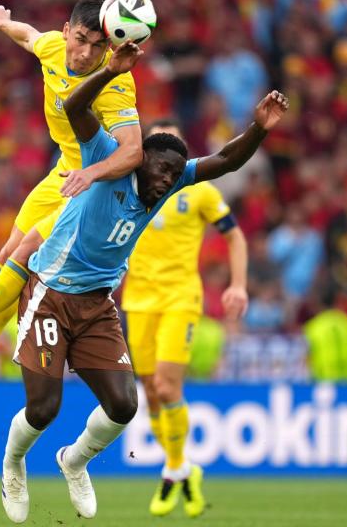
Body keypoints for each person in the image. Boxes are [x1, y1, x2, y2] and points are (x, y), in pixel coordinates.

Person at [0, 41, 289, 523]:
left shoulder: (168, 184)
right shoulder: (109, 155)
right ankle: (13, 462)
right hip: (49, 294)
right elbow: (75, 106)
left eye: (173, 175)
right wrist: (110, 70)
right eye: (160, 169)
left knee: (125, 405)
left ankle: (74, 460)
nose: (164, 181)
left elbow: (227, 161)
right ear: (140, 159)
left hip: (98, 304)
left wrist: (257, 128)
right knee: (43, 409)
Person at [0, 0, 143, 383]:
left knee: (25, 253)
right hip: (64, 172)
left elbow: (133, 151)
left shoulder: (116, 83)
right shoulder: (52, 47)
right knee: (6, 254)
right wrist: (2, 23)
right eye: (80, 40)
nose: (86, 53)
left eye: (98, 46)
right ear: (66, 31)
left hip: (95, 185)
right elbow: (29, 36)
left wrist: (92, 174)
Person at [121, 118, 249, 517]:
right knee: (151, 392)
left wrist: (238, 284)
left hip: (180, 298)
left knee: (166, 383)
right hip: (138, 300)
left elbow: (234, 235)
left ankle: (174, 467)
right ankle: (184, 467)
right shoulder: (131, 186)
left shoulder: (199, 192)